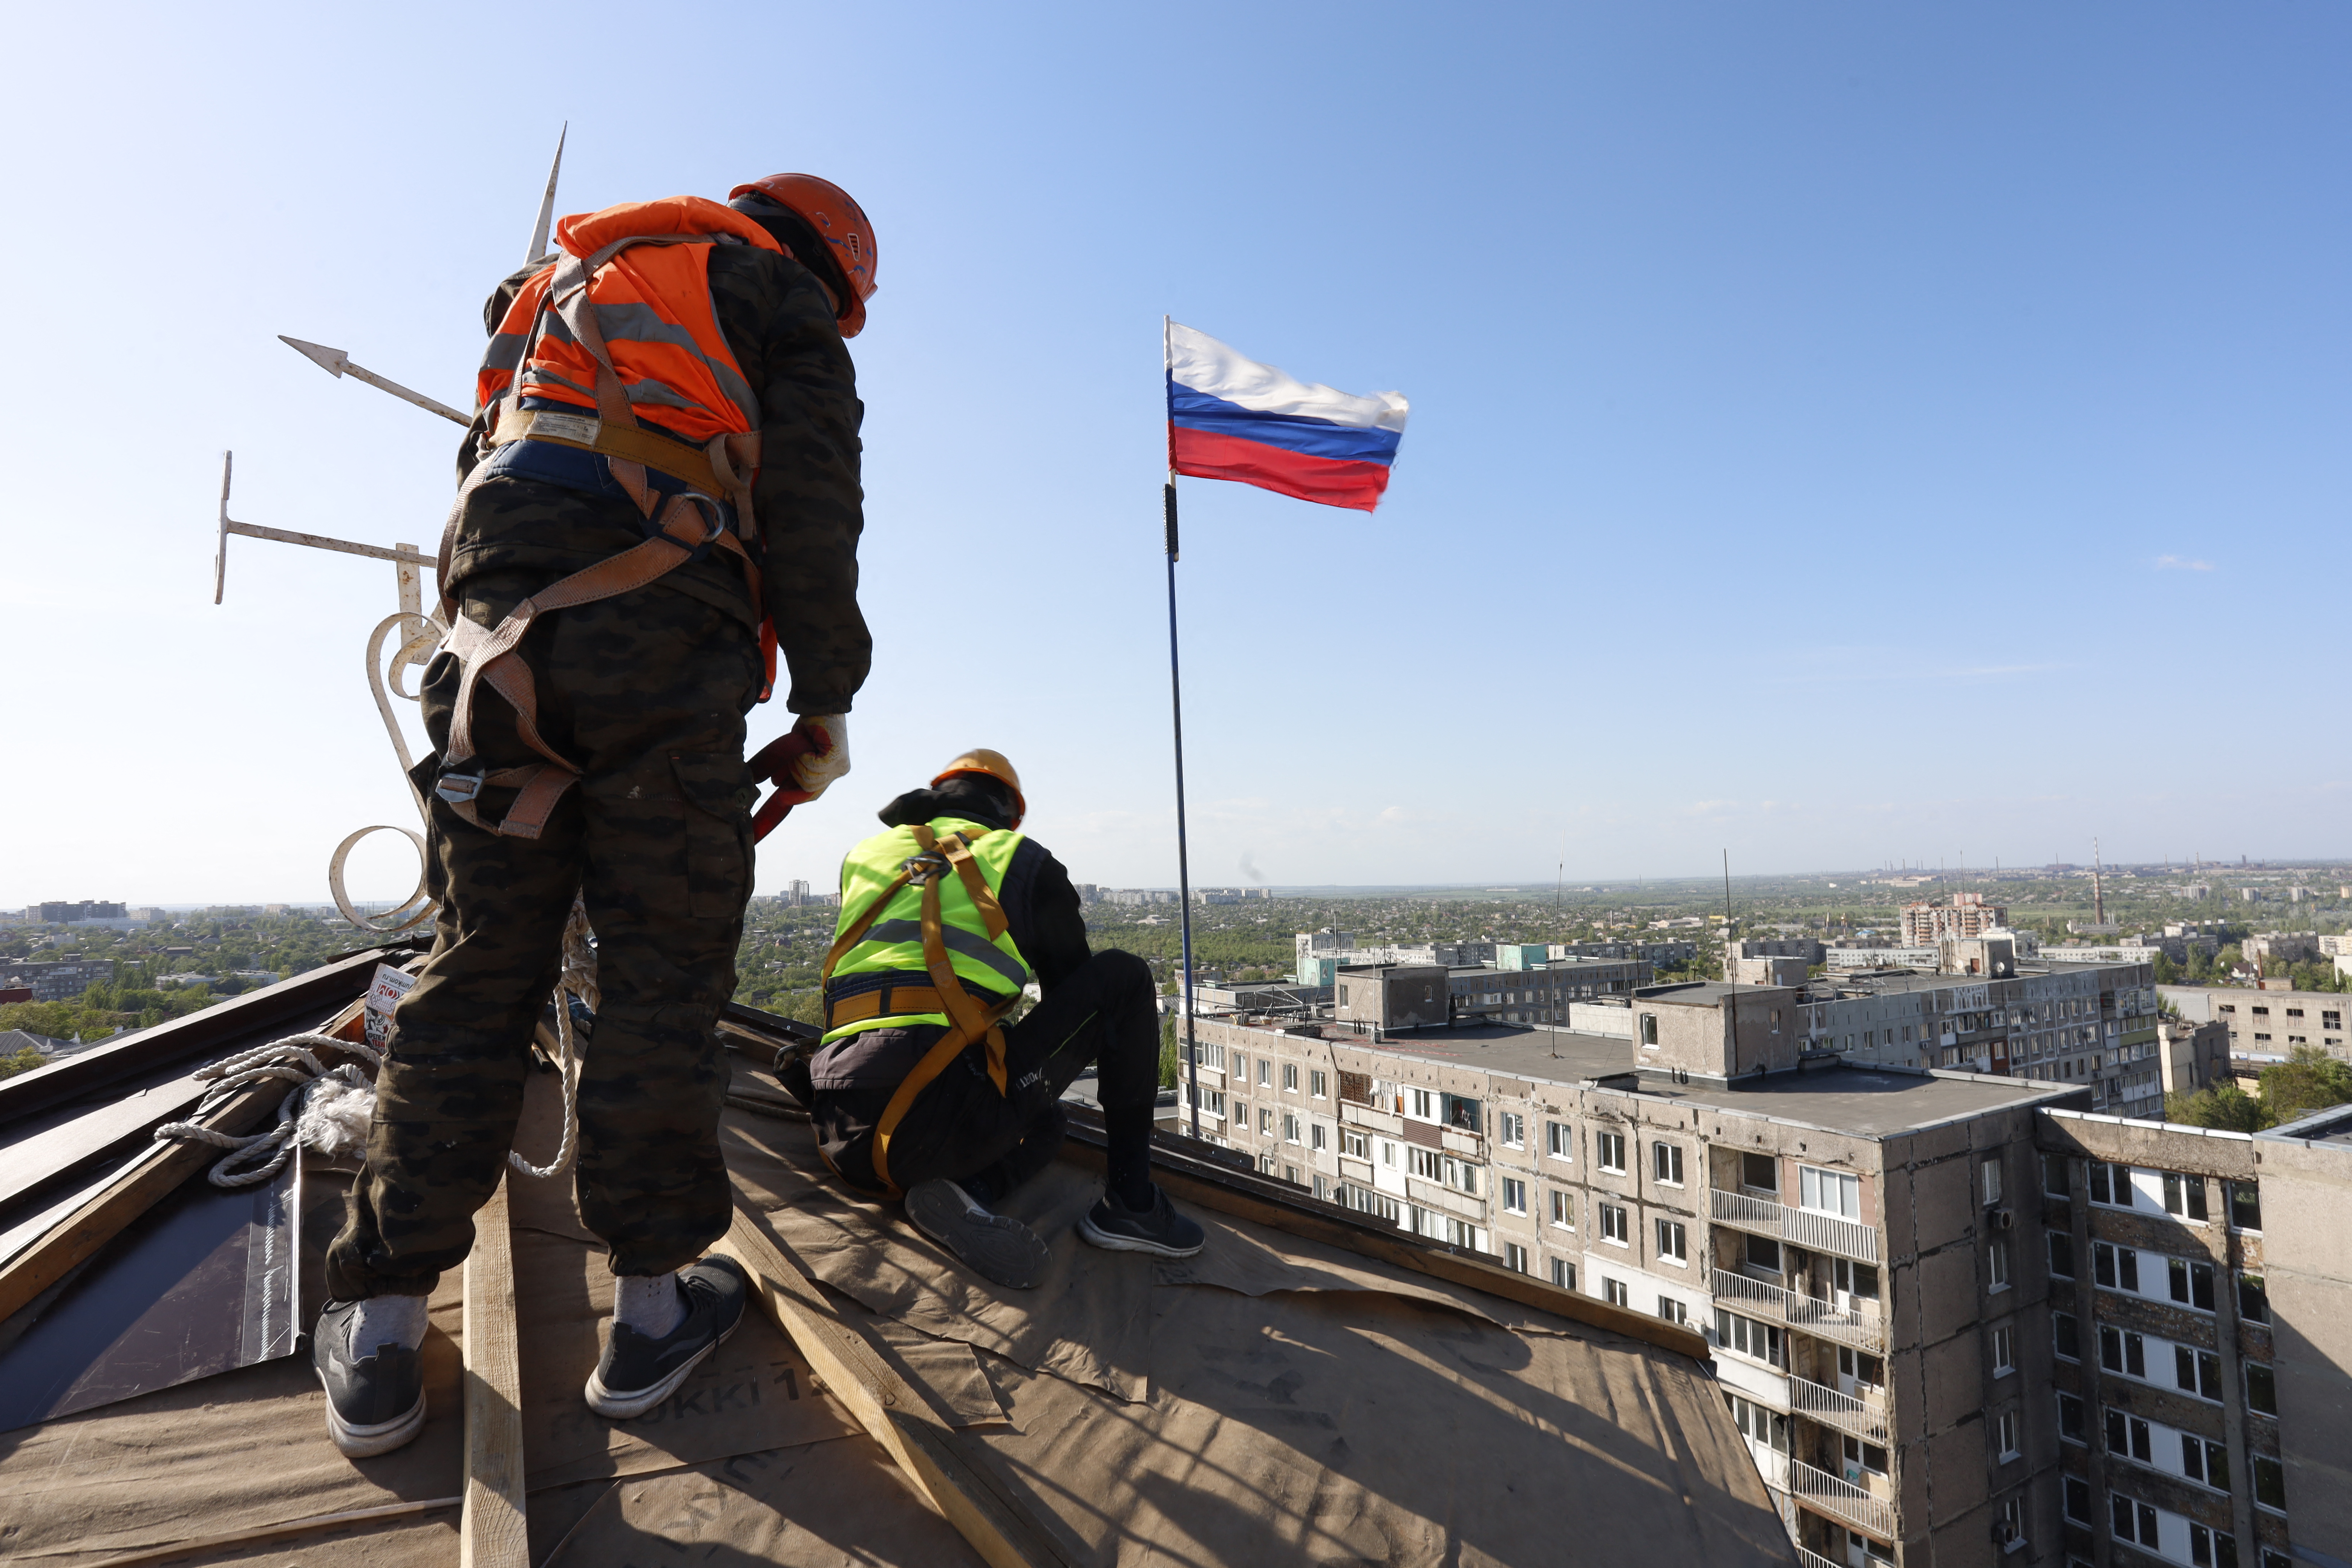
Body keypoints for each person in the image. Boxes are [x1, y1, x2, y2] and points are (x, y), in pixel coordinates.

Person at [311, 174, 876, 1459]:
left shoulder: (551, 295)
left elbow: (484, 473)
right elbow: (812, 513)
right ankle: (653, 1313)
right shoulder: (776, 300)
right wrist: (828, 701)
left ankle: (384, 1330)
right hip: (662, 646)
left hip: (489, 657)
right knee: (660, 980)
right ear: (835, 276)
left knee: (474, 974)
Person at [786, 750, 1204, 1289]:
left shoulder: (865, 855)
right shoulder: (1020, 861)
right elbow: (1079, 1011)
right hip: (932, 1126)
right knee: (1120, 984)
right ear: (1009, 812)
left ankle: (961, 1192)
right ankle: (1131, 1203)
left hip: (839, 1127)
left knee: (1030, 1110)